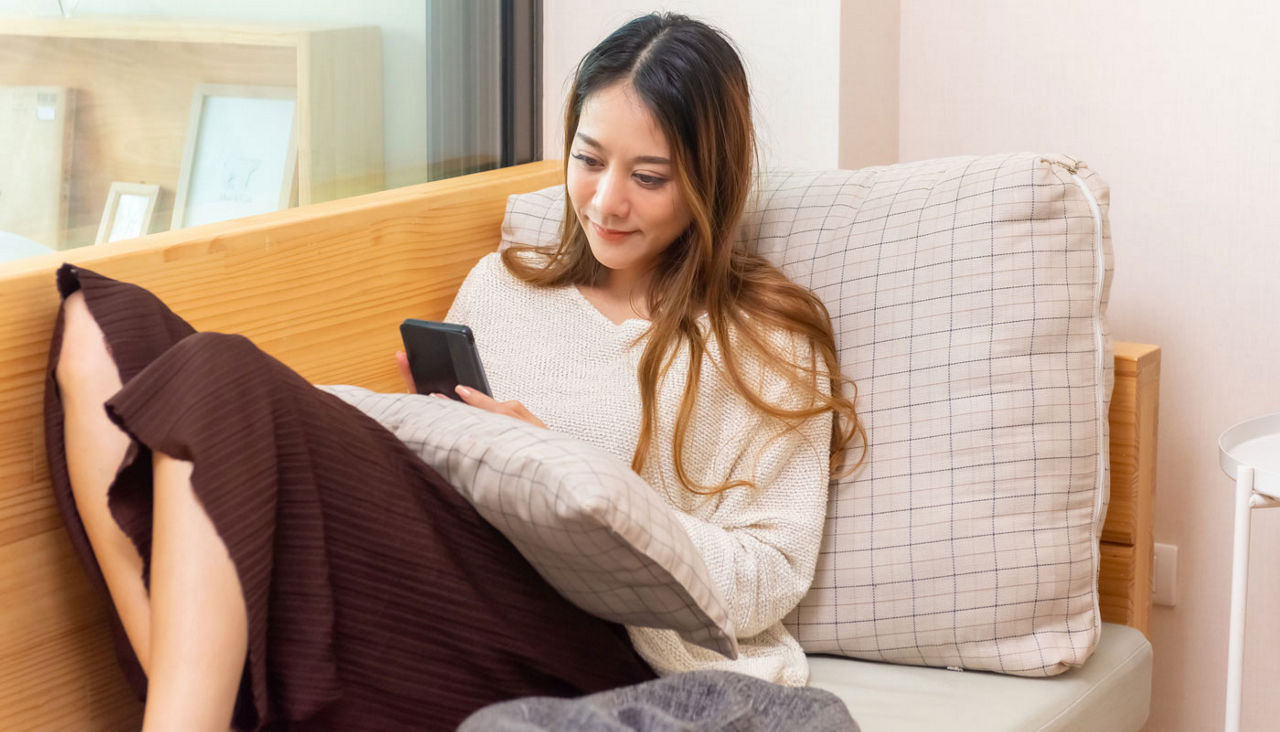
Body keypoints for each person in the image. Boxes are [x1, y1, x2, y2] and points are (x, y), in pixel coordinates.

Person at [46, 12, 861, 732]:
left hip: (599, 645)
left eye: (648, 178)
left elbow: (771, 578)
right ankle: (187, 701)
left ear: (707, 183)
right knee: (97, 318)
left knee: (222, 376)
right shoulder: (501, 285)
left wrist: (585, 480)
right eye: (588, 159)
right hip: (451, 584)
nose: (607, 201)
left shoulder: (763, 341)